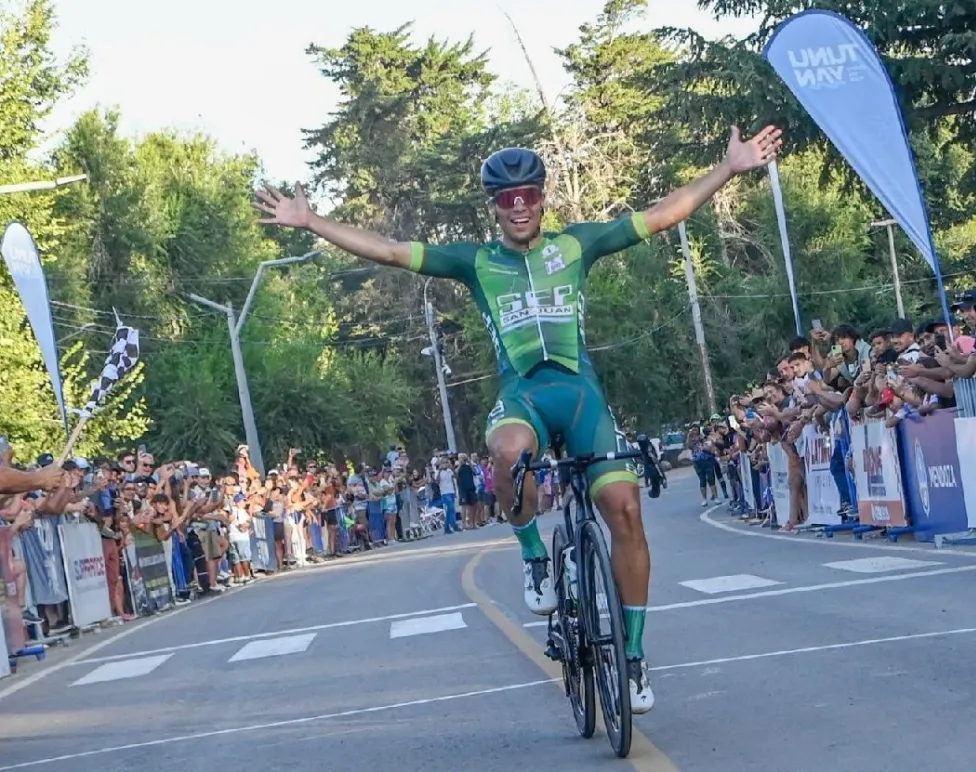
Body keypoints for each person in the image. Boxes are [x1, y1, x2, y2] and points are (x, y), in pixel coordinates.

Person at [254, 124, 782, 714]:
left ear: (542, 197)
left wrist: (728, 168)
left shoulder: (576, 245)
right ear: (494, 208)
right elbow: (391, 251)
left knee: (627, 512)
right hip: (523, 397)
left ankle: (632, 659)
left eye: (528, 195)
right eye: (506, 200)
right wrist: (313, 222)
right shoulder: (476, 261)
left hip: (580, 395)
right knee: (507, 451)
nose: (518, 207)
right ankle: (534, 556)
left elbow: (661, 215)